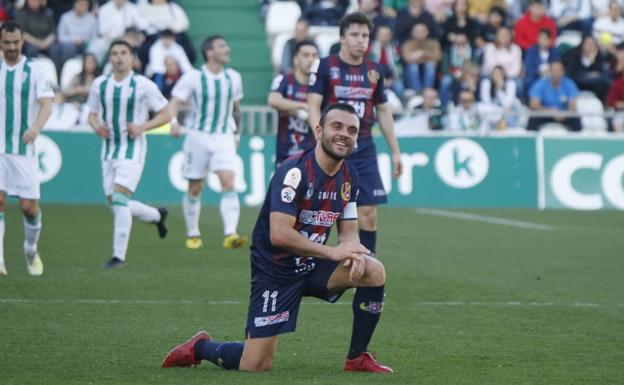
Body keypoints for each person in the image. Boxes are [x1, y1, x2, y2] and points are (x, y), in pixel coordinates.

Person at [161, 103, 393, 373]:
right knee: (256, 364)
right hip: (276, 270)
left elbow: (348, 233)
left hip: (313, 265)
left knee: (374, 271)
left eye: (352, 130)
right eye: (337, 126)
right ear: (319, 130)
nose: (344, 134)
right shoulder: (294, 171)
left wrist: (353, 252)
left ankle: (357, 358)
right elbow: (279, 234)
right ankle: (200, 347)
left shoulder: (349, 176)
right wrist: (333, 253)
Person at [307, 12, 403, 257]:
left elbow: (383, 110)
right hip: (332, 151)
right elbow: (313, 105)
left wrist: (395, 151)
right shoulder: (326, 65)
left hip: (364, 150)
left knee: (369, 214)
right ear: (342, 38)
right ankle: (309, 265)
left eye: (365, 35)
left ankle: (366, 276)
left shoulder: (375, 70)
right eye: (355, 35)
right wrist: (320, 139)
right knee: (320, 213)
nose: (361, 40)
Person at [86, 40, 171, 268]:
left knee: (120, 199)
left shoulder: (143, 85)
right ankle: (156, 216)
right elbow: (92, 114)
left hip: (133, 148)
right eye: (114, 53)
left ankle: (118, 257)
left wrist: (142, 127)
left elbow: (167, 113)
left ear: (132, 58)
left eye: (124, 53)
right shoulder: (99, 85)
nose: (119, 57)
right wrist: (96, 126)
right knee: (115, 203)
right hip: (109, 149)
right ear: (110, 58)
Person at [168, 35, 247, 250]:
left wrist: (237, 135)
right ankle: (193, 233)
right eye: (222, 46)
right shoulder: (193, 77)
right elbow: (175, 101)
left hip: (223, 137)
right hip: (197, 137)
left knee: (228, 181)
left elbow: (236, 109)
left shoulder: (233, 77)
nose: (227, 49)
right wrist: (174, 122)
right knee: (195, 187)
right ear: (209, 52)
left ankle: (230, 234)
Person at [0, 21, 53, 276]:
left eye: (15, 42)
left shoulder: (36, 70)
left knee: (28, 207)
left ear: (22, 42)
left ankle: (31, 249)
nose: (11, 47)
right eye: (6, 42)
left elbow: (46, 104)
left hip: (23, 149)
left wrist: (36, 127)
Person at [268, 40, 318, 168]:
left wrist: (289, 109)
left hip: (312, 156)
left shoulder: (320, 85)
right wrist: (302, 107)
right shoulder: (284, 80)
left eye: (314, 55)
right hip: (286, 156)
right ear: (296, 59)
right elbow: (273, 101)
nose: (311, 60)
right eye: (306, 55)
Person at [528, 61, 582, 131]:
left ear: (563, 72)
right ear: (549, 72)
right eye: (554, 70)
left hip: (564, 114)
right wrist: (550, 111)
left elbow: (572, 105)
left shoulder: (569, 83)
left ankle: (577, 140)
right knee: (533, 119)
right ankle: (530, 140)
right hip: (546, 113)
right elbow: (533, 104)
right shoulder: (541, 83)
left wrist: (564, 114)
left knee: (576, 120)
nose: (556, 73)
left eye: (559, 71)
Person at [400, 22, 441, 94]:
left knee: (430, 65)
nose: (421, 34)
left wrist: (421, 54)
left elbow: (438, 57)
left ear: (427, 32)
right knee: (413, 66)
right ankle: (418, 93)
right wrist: (428, 57)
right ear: (412, 33)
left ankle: (427, 92)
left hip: (430, 74)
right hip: (410, 75)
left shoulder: (434, 43)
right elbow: (407, 58)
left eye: (423, 31)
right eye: (418, 32)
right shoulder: (407, 44)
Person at [523, 28, 561, 98]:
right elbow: (529, 68)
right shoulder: (531, 51)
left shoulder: (555, 52)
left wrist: (549, 72)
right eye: (540, 38)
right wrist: (540, 72)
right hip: (536, 76)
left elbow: (558, 66)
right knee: (528, 81)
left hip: (551, 77)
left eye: (545, 39)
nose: (542, 41)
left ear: (549, 40)